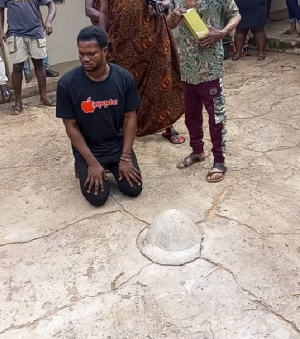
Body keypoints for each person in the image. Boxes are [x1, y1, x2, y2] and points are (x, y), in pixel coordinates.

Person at [56, 26, 143, 207]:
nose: (85, 59)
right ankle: (83, 164)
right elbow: (70, 126)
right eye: (81, 54)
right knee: (98, 198)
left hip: (117, 145)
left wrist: (125, 157)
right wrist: (91, 162)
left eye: (91, 54)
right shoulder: (67, 84)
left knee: (133, 189)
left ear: (105, 51)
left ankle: (113, 164)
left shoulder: (124, 78)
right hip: (89, 148)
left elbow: (130, 118)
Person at [167, 0, 241, 182]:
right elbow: (168, 24)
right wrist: (173, 17)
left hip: (210, 67)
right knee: (191, 115)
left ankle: (219, 161)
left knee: (216, 117)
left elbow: (236, 15)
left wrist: (222, 33)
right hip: (187, 67)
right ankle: (197, 151)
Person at [97, 0, 185, 144]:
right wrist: (102, 40)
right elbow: (104, 12)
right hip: (124, 42)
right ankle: (122, 128)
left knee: (161, 80)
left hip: (155, 35)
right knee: (122, 84)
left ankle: (167, 125)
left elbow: (169, 1)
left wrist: (161, 4)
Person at [0, 0, 56, 115]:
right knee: (17, 67)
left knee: (39, 65)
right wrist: (0, 30)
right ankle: (18, 102)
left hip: (35, 31)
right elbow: (0, 10)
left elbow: (51, 4)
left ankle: (43, 97)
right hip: (15, 33)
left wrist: (49, 21)